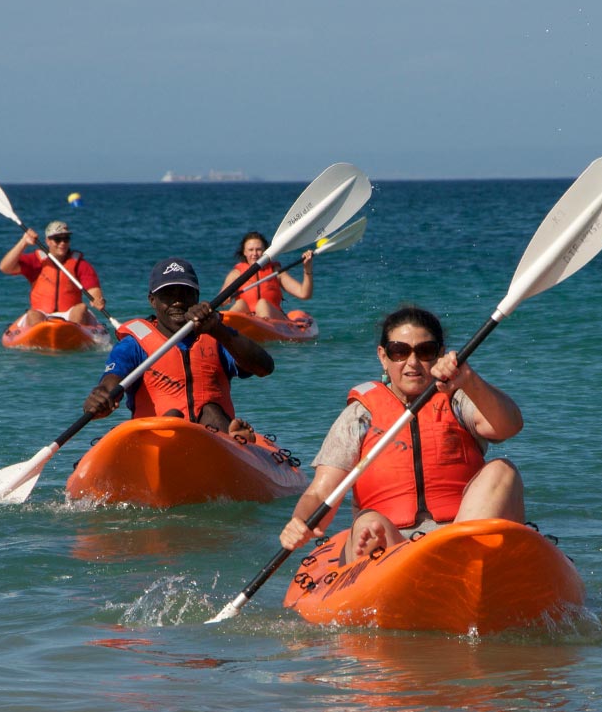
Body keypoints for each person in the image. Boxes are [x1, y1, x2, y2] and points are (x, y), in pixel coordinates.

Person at [279, 306, 526, 563]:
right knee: (369, 523)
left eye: (425, 351)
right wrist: (299, 522)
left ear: (440, 354)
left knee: (502, 470)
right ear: (383, 357)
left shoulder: (458, 399)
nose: (412, 362)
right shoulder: (360, 415)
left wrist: (470, 379)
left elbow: (508, 426)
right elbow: (321, 494)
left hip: (459, 535)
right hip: (393, 541)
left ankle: (461, 556)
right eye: (399, 351)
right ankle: (387, 563)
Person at [82, 257, 273, 440]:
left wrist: (217, 329)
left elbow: (264, 367)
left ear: (197, 297)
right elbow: (111, 382)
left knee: (211, 411)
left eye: (185, 294)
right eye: (168, 295)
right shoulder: (134, 345)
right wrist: (101, 397)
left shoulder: (217, 336)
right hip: (158, 442)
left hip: (214, 441)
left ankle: (233, 441)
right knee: (172, 418)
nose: (178, 301)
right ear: (152, 300)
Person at [0, 220, 106, 327]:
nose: (62, 243)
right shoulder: (36, 261)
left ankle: (72, 334)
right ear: (48, 241)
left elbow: (93, 290)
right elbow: (5, 267)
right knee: (32, 314)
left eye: (66, 239)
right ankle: (41, 336)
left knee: (81, 308)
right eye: (57, 239)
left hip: (70, 315)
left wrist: (97, 299)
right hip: (42, 313)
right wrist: (23, 243)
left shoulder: (81, 265)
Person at [222, 231, 313, 320]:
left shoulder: (275, 271)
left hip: (273, 319)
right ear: (244, 252)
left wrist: (307, 268)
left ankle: (263, 326)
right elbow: (221, 301)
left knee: (263, 304)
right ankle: (226, 325)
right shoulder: (236, 274)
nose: (254, 254)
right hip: (247, 320)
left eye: (258, 249)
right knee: (240, 304)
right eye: (250, 250)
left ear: (265, 251)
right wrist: (225, 299)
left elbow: (304, 294)